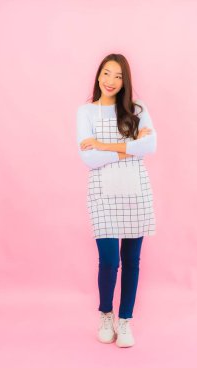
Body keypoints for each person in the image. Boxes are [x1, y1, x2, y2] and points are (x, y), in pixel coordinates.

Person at [76, 53, 157, 348]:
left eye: (118, 76)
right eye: (106, 74)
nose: (111, 81)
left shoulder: (138, 109)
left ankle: (125, 320)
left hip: (136, 190)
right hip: (102, 193)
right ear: (98, 76)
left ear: (126, 81)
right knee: (109, 260)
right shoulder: (85, 112)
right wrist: (128, 149)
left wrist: (103, 144)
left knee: (132, 261)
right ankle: (106, 314)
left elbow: (151, 145)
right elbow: (88, 158)